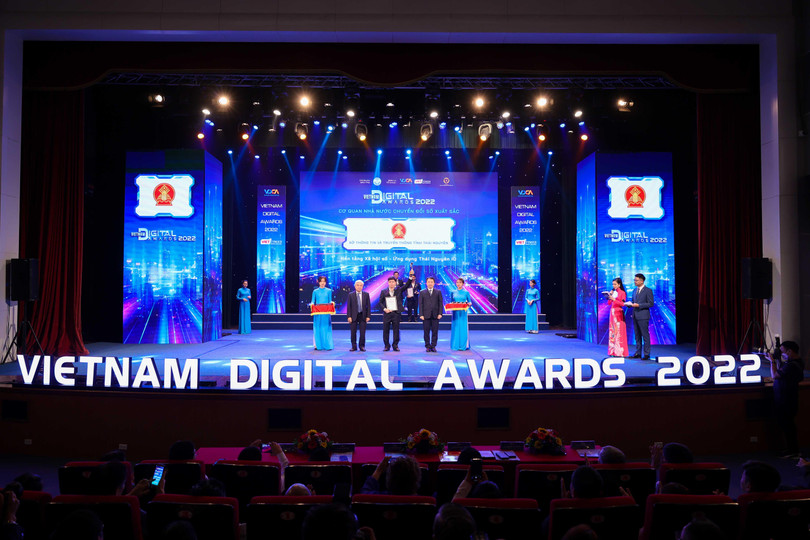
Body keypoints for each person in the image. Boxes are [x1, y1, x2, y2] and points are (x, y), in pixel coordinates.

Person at [770, 340, 804, 457]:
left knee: (788, 425)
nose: (781, 354)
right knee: (787, 425)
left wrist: (772, 361)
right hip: (787, 398)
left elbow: (775, 375)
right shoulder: (795, 363)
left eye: (783, 351)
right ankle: (792, 449)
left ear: (790, 351)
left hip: (786, 399)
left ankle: (793, 451)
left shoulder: (791, 365)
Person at [625, 273, 654, 360]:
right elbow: (633, 302)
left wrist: (639, 305)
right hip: (635, 315)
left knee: (645, 335)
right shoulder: (634, 290)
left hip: (643, 315)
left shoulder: (648, 290)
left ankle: (646, 354)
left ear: (642, 281)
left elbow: (651, 303)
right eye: (634, 280)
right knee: (637, 336)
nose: (635, 281)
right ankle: (638, 353)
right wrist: (629, 304)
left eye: (636, 280)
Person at [378, 275, 411, 351]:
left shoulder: (399, 290)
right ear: (388, 283)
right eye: (390, 282)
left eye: (393, 282)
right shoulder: (383, 291)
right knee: (386, 330)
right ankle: (386, 345)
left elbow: (406, 286)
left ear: (395, 282)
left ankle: (395, 345)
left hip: (396, 313)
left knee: (396, 329)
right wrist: (384, 309)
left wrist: (410, 277)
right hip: (387, 313)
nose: (391, 283)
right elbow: (380, 302)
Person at [604, 277, 628, 357]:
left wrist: (614, 299)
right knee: (612, 331)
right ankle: (612, 351)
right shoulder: (613, 292)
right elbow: (609, 303)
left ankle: (619, 351)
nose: (613, 286)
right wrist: (609, 296)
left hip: (618, 312)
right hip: (612, 312)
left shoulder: (622, 293)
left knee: (619, 331)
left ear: (619, 284)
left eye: (615, 284)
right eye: (613, 284)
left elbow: (622, 304)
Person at [419, 277, 444, 352]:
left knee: (435, 331)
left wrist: (440, 313)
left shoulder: (438, 292)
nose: (430, 283)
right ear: (426, 283)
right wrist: (421, 314)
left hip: (435, 315)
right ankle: (427, 346)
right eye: (428, 282)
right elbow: (421, 304)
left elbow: (440, 303)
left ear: (434, 283)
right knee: (426, 332)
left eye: (431, 282)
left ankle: (433, 346)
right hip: (425, 315)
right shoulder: (422, 292)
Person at [347, 279, 371, 352]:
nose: (359, 287)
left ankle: (362, 346)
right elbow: (349, 306)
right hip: (353, 316)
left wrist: (368, 316)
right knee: (353, 332)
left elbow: (368, 306)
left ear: (363, 286)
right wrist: (349, 316)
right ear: (355, 286)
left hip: (363, 315)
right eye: (357, 285)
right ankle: (353, 346)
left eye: (361, 285)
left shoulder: (366, 294)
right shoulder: (351, 295)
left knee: (362, 332)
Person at [310, 276, 334, 350]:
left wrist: (332, 303)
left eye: (324, 281)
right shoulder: (315, 291)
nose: (322, 283)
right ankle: (317, 345)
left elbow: (330, 301)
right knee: (318, 328)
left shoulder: (329, 291)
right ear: (318, 282)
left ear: (325, 282)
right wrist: (312, 305)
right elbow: (313, 301)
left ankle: (327, 345)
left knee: (326, 328)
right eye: (321, 281)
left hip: (326, 313)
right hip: (317, 313)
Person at [449, 278, 472, 351]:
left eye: (460, 282)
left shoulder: (466, 292)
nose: (458, 284)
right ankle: (455, 345)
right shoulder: (453, 292)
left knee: (463, 328)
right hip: (455, 313)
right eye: (457, 282)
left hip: (463, 313)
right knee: (455, 328)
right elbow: (451, 302)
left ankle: (463, 345)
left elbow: (470, 302)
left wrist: (469, 304)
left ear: (463, 284)